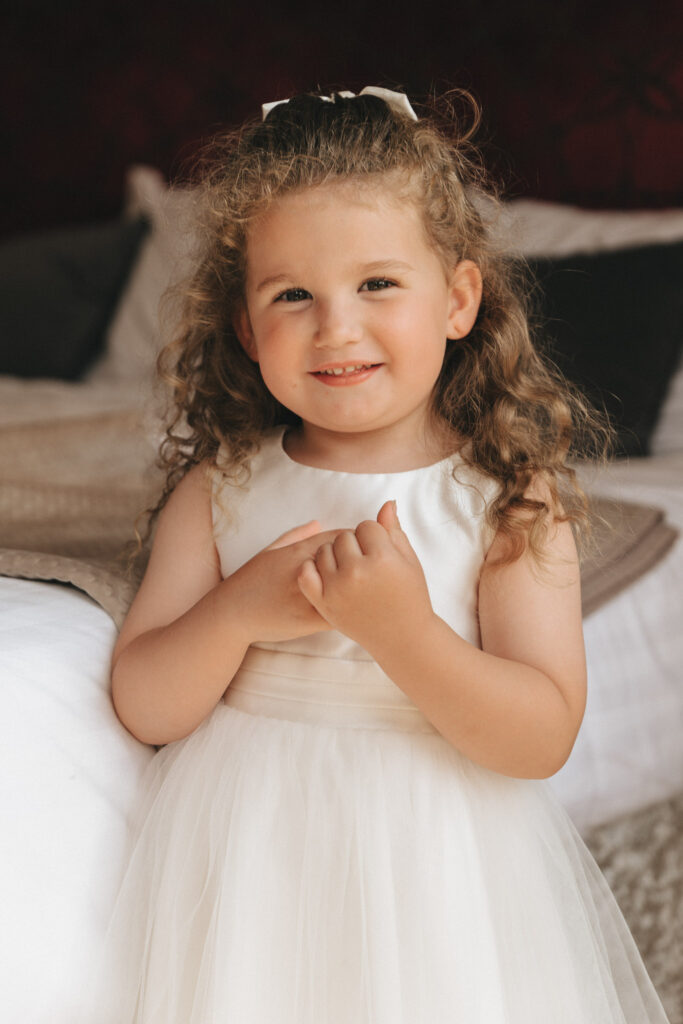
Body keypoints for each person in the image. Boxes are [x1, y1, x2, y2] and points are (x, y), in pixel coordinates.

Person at [96, 87, 670, 1022]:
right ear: (246, 328)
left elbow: (540, 736)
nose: (336, 327)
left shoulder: (507, 499)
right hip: (252, 855)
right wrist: (238, 610)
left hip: (436, 855)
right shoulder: (220, 491)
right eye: (292, 295)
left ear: (456, 299)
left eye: (376, 284)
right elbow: (145, 705)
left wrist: (403, 633)